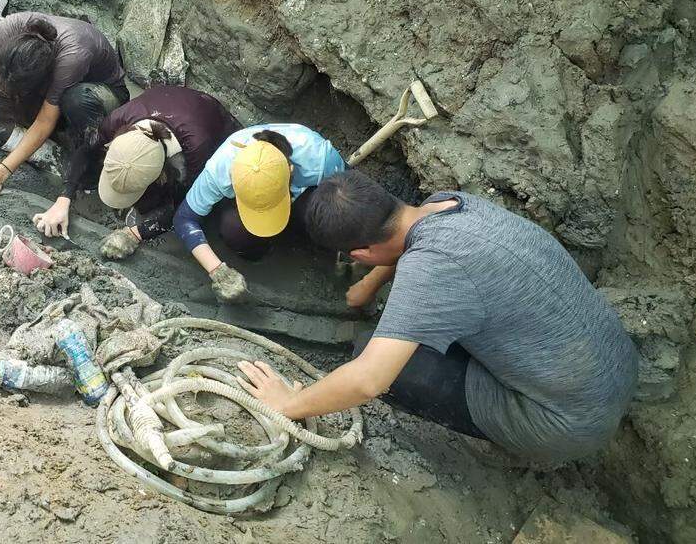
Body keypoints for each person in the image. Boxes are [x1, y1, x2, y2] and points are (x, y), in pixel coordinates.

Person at [236, 169, 640, 463]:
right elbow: (399, 243)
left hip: (560, 421)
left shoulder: (433, 269)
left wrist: (290, 404)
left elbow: (367, 381)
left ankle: (510, 439)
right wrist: (369, 285)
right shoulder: (448, 204)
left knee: (379, 359)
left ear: (358, 254)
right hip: (614, 361)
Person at [0, 12, 129, 204]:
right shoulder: (3, 32)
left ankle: (84, 159)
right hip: (42, 94)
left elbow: (45, 120)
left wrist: (1, 172)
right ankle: (46, 149)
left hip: (99, 96)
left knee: (76, 100)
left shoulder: (72, 56)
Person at [32, 85, 241, 258]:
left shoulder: (197, 153)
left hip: (217, 130)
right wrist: (64, 198)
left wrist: (135, 234)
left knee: (173, 204)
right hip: (170, 106)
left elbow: (186, 209)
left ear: (161, 175)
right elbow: (87, 149)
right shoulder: (120, 119)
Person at [172, 123, 346, 303]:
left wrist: (347, 245)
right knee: (234, 230)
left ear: (290, 171)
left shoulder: (318, 156)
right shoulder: (221, 169)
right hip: (249, 208)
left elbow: (350, 196)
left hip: (303, 198)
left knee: (324, 213)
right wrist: (218, 271)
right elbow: (184, 219)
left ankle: (311, 242)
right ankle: (263, 250)